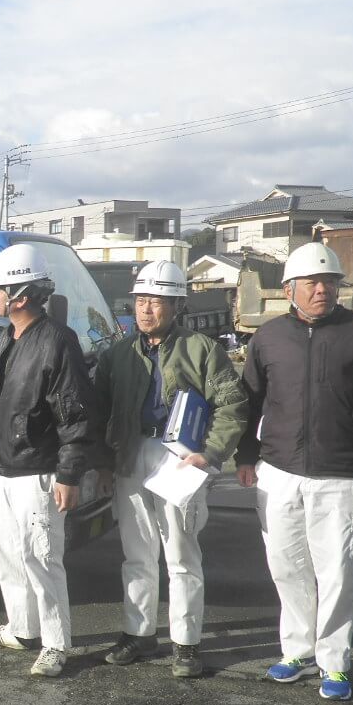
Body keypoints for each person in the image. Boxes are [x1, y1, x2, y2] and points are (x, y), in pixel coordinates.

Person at [235, 242, 353, 701]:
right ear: (290, 289)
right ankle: (296, 651)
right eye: (312, 282)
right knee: (287, 566)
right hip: (279, 471)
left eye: (329, 282)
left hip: (342, 475)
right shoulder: (268, 338)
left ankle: (334, 662)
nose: (322, 290)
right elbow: (249, 402)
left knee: (338, 569)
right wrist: (244, 456)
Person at [94, 260, 248, 677]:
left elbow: (232, 406)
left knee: (181, 555)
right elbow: (99, 411)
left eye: (156, 301)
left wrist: (211, 454)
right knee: (136, 553)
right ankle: (138, 633)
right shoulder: (118, 355)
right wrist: (104, 463)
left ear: (177, 304)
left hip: (181, 459)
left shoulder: (202, 349)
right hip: (131, 454)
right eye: (141, 300)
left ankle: (186, 643)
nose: (146, 309)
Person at [0, 243, 96, 678]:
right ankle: (22, 630)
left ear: (20, 295)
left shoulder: (58, 341)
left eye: (0, 290)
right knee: (10, 555)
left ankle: (56, 644)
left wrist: (68, 474)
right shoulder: (8, 338)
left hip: (40, 474)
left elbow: (74, 415)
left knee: (43, 558)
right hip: (7, 471)